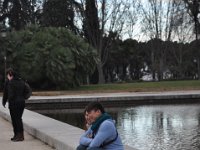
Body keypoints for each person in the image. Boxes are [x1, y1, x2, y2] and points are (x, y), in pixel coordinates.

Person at [2, 68, 26, 142]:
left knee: (15, 119)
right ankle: (18, 135)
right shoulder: (21, 81)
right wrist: (23, 97)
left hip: (14, 103)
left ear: (9, 75)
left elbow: (8, 93)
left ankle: (19, 136)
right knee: (18, 119)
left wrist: (4, 101)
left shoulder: (9, 83)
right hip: (21, 102)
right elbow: (28, 90)